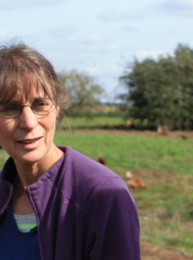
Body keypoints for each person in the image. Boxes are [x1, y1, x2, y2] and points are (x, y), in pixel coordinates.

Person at [0, 43, 140, 259]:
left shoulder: (104, 195)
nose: (28, 123)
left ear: (56, 108)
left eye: (39, 104)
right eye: (10, 107)